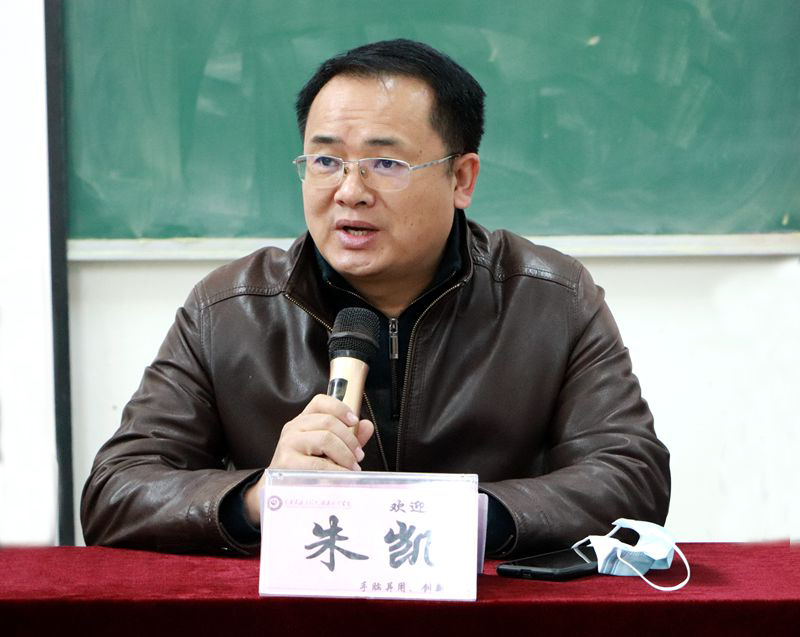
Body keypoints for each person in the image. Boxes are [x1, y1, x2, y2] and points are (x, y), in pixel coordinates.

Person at [81, 39, 670, 557]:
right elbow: (116, 490)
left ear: (462, 178)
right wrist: (265, 497)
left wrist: (452, 521)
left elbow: (630, 475)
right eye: (325, 160)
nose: (349, 191)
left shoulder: (550, 297)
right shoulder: (230, 308)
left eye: (385, 162)